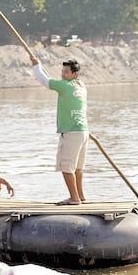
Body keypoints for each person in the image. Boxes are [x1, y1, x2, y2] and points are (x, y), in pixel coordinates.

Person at [31, 57, 89, 205]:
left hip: (71, 133)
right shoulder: (81, 85)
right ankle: (80, 196)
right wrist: (40, 66)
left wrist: (36, 66)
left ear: (75, 74)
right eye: (62, 71)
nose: (63, 74)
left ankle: (74, 198)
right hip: (83, 131)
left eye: (67, 72)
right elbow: (52, 80)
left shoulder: (65, 86)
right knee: (77, 168)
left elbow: (44, 81)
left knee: (66, 167)